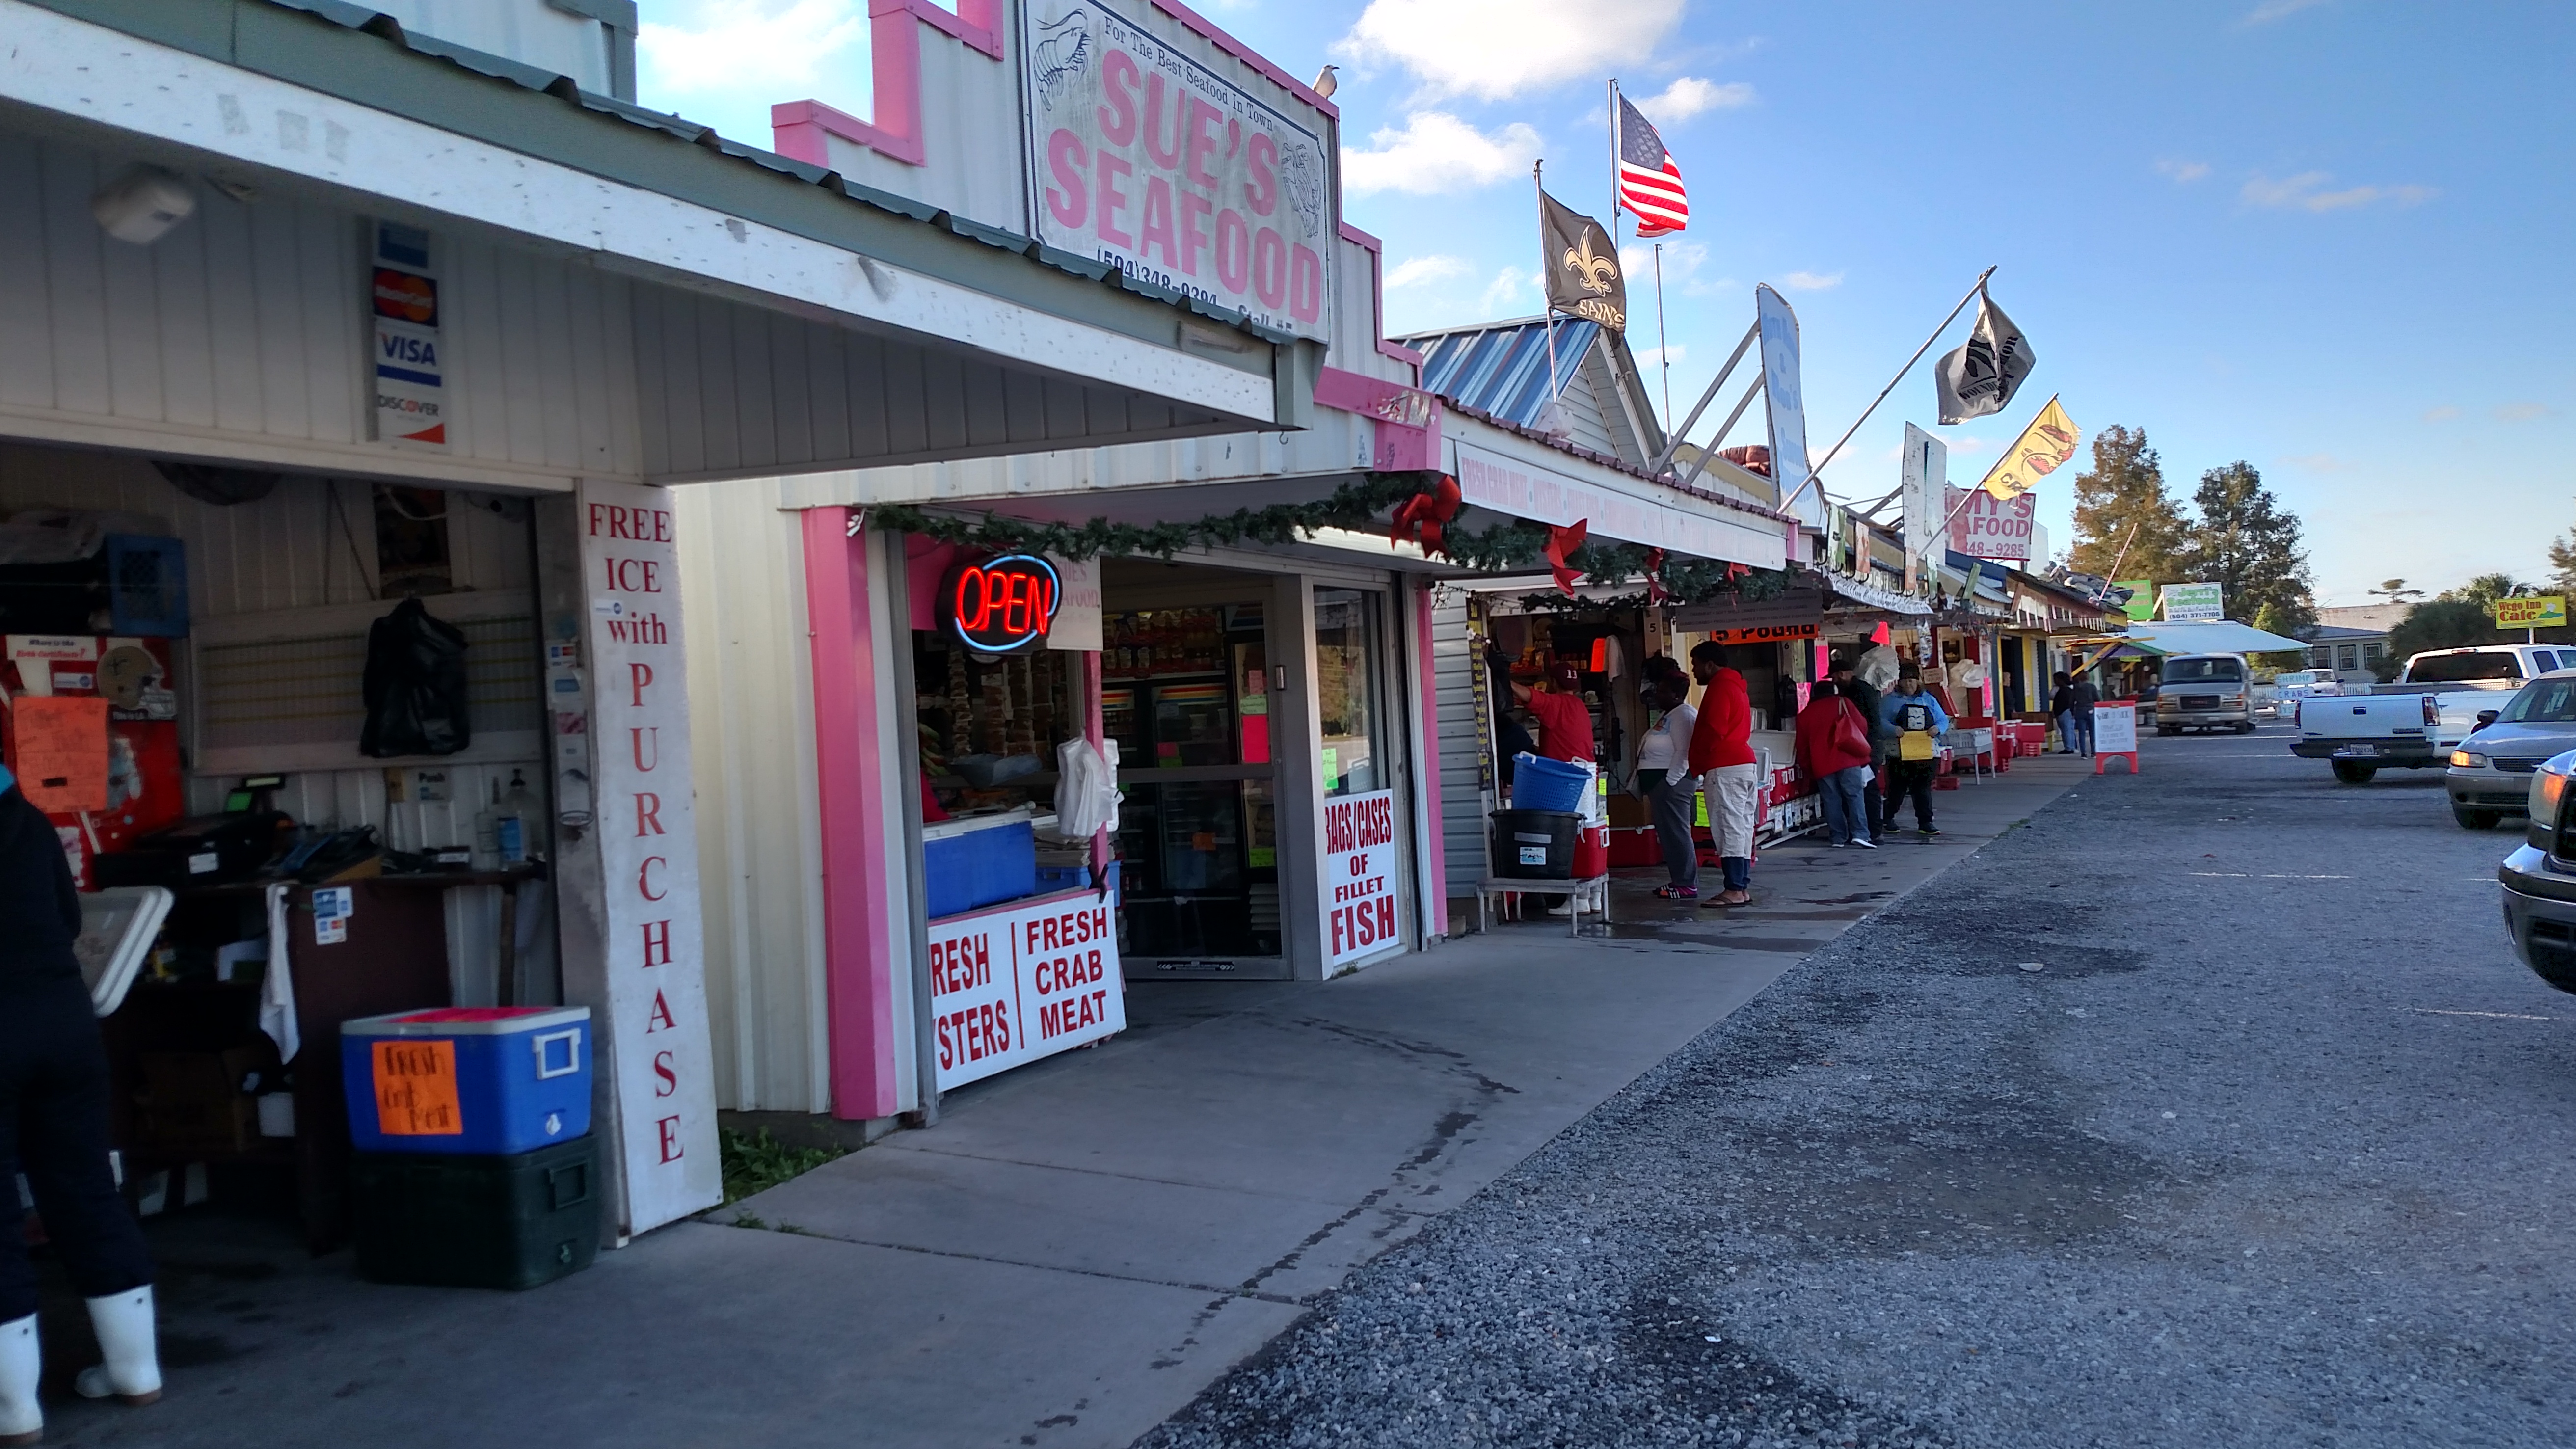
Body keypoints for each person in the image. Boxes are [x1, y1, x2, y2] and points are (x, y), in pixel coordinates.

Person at [1, 760, 164, 1446]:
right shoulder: (30, 823)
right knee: (87, 1191)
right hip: (65, 1027)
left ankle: (14, 1411)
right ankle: (135, 1373)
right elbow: (69, 916)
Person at [1688, 642, 1758, 907]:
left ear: (1710, 664)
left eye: (1695, 664)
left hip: (1725, 766)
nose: (1693, 671)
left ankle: (1733, 889)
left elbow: (1714, 729)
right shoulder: (1737, 686)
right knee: (1741, 828)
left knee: (1727, 828)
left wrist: (1698, 759)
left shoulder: (1719, 688)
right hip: (1743, 763)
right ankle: (1741, 886)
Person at [1636, 674, 1699, 898]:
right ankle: (1678, 879)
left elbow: (1684, 752)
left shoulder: (1684, 715)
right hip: (1661, 784)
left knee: (1677, 833)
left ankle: (1686, 883)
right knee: (1669, 834)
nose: (1657, 695)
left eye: (1662, 691)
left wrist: (1670, 782)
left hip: (1673, 784)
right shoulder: (1669, 715)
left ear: (1677, 695)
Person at [1794, 679, 1877, 849]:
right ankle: (1860, 834)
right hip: (1848, 759)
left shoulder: (1804, 715)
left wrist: (1807, 768)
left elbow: (1802, 747)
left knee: (1831, 799)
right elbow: (1862, 725)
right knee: (1854, 796)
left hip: (1822, 764)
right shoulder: (1843, 702)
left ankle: (1838, 837)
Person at [1879, 668, 1952, 836]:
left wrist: (1938, 729)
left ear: (1918, 681)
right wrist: (1892, 729)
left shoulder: (1929, 700)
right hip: (1899, 753)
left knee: (1923, 788)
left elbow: (1943, 720)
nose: (1909, 683)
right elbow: (1880, 721)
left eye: (1912, 680)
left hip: (1925, 751)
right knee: (1897, 788)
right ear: (1899, 682)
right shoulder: (1888, 701)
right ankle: (1888, 818)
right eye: (1905, 680)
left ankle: (1926, 822)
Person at [1831, 659, 1885, 838]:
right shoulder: (1865, 688)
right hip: (1869, 744)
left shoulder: (1855, 692)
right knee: (1867, 788)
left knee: (1867, 789)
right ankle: (1873, 830)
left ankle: (1873, 831)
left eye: (1834, 678)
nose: (1834, 683)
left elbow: (1857, 723)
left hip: (1864, 746)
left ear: (1841, 674)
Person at [2048, 670, 2098, 757]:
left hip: (2079, 711)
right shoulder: (2092, 687)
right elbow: (2097, 699)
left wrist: (2073, 711)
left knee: (2081, 732)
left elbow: (2072, 701)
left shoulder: (2076, 688)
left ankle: (2083, 753)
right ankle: (2093, 752)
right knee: (2092, 732)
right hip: (2091, 710)